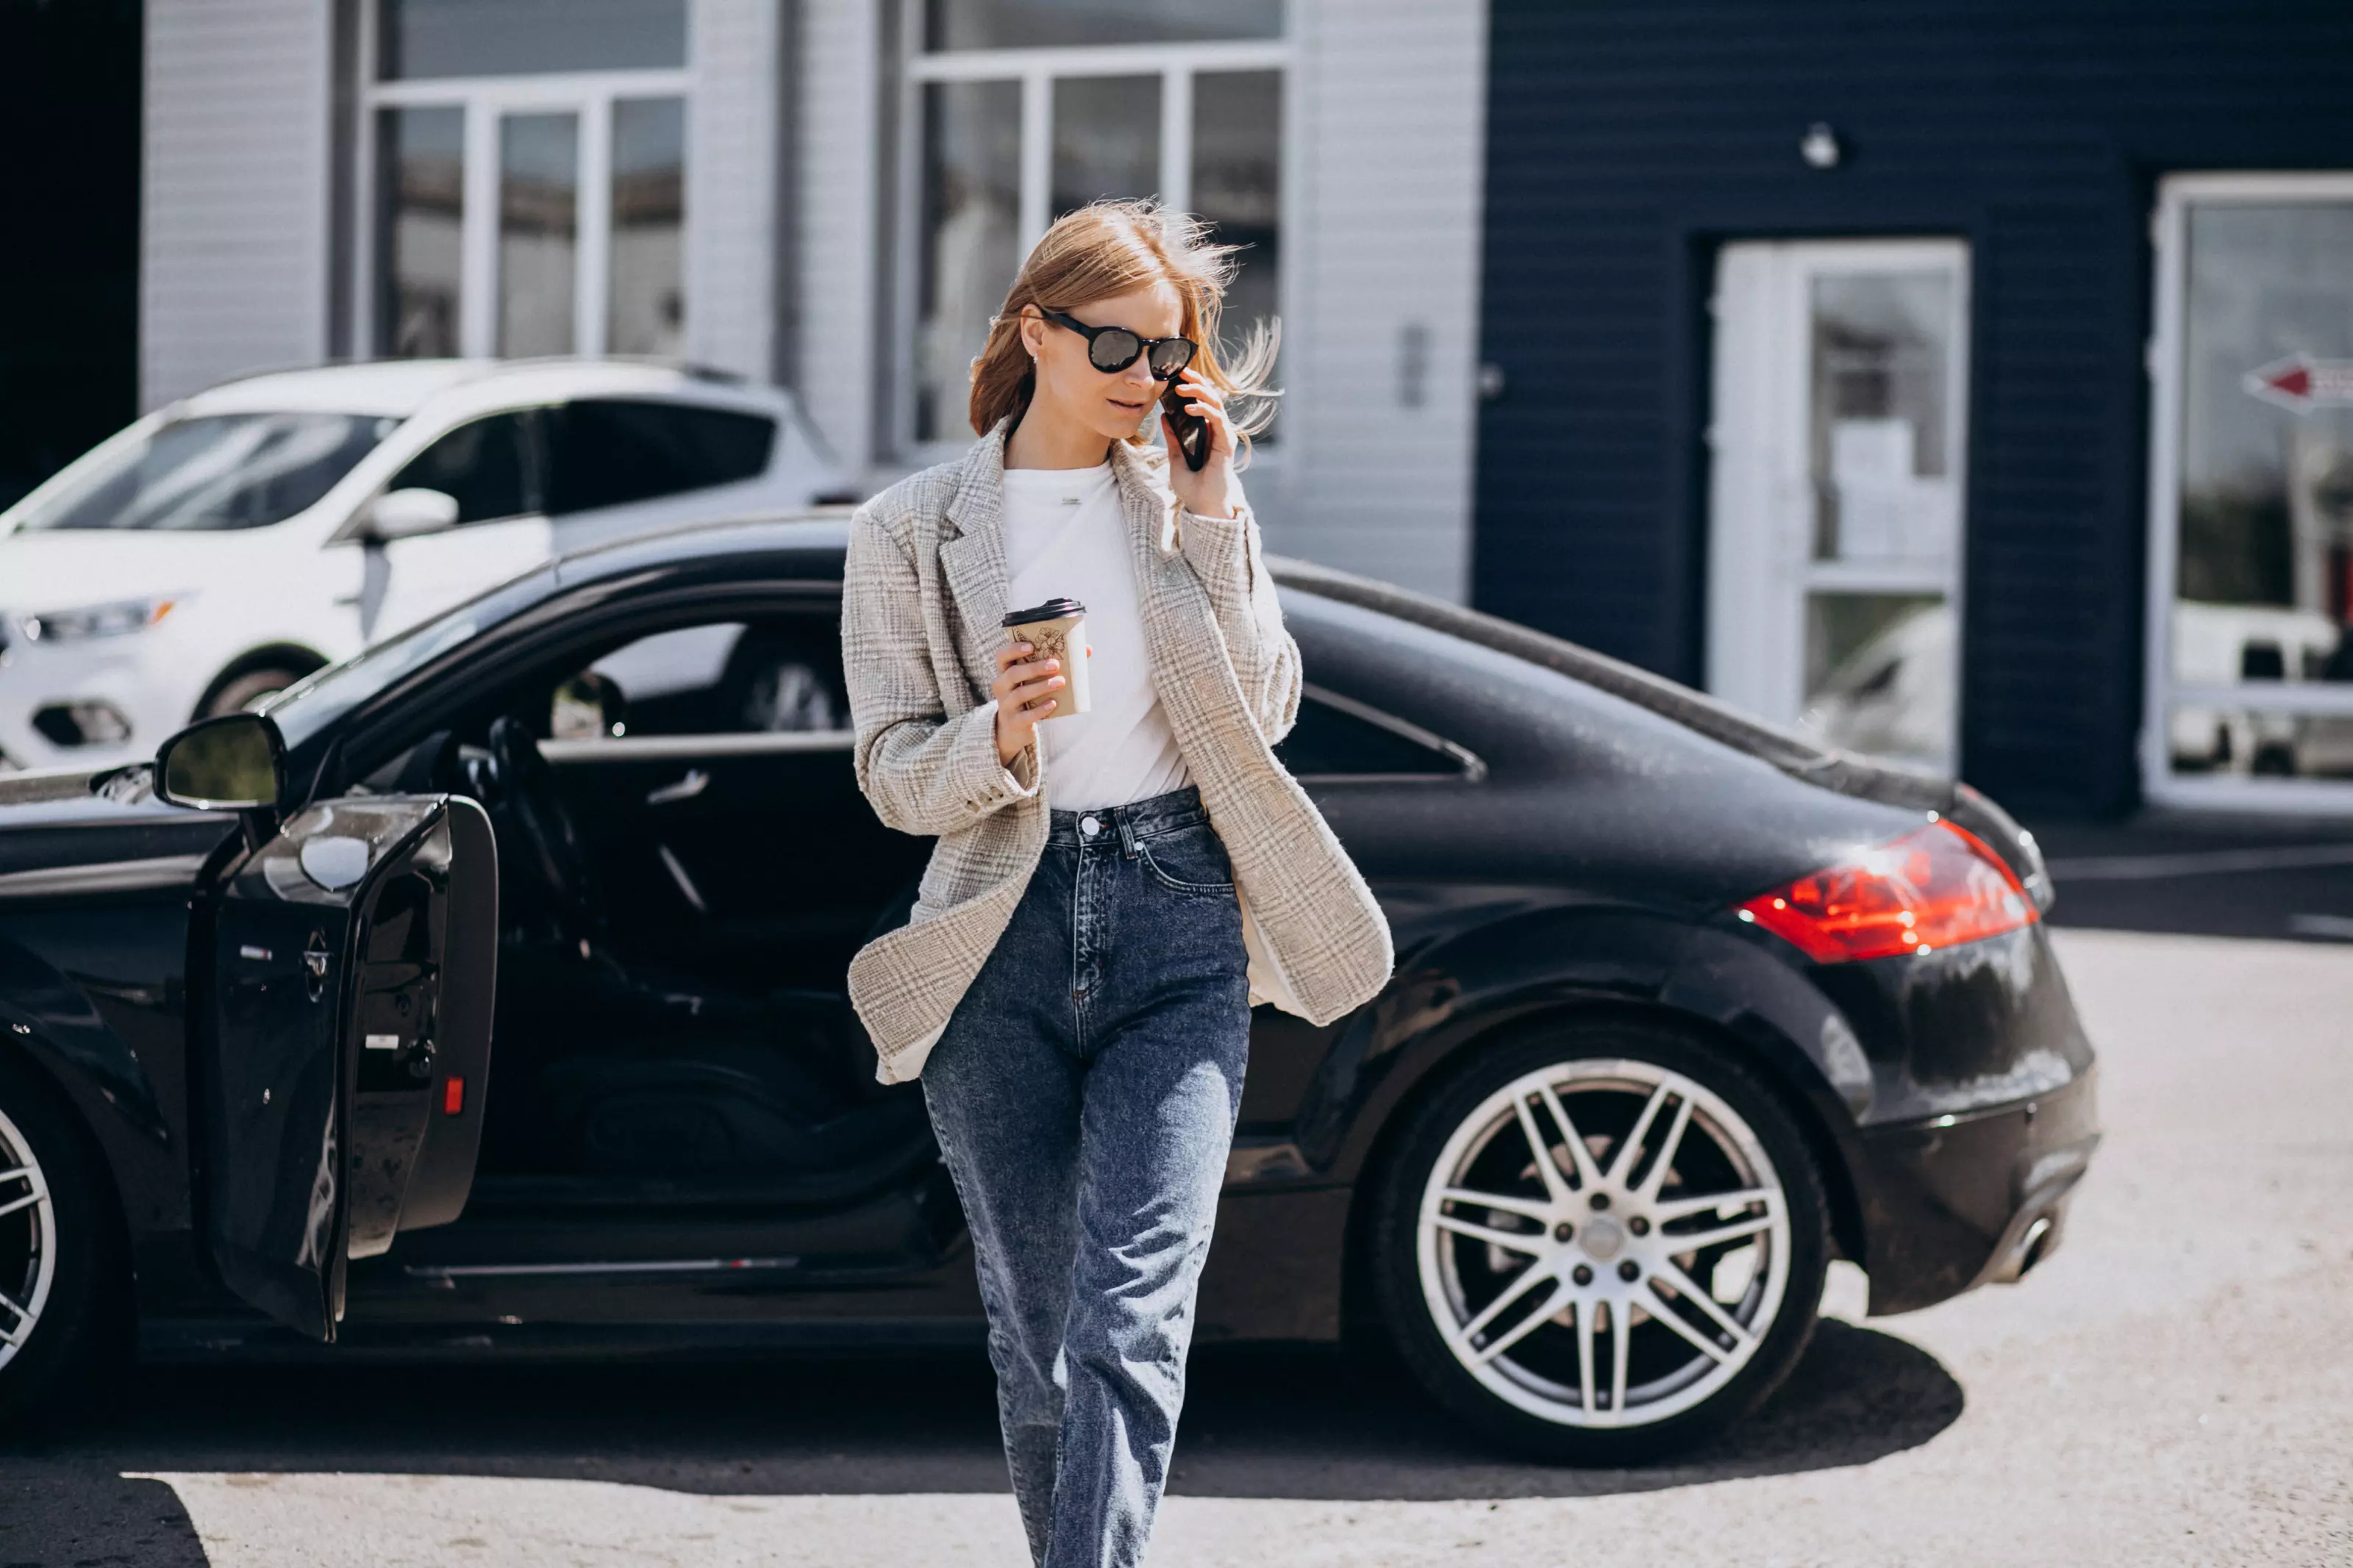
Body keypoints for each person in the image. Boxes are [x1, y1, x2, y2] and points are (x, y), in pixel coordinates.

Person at [838, 198, 1393, 1567]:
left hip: (1179, 922)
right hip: (996, 939)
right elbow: (894, 778)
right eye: (1121, 348)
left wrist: (1215, 520)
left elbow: (1262, 710)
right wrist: (1004, 732)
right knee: (1042, 1343)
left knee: (1133, 1319)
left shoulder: (1187, 503)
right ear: (1036, 328)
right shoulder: (910, 530)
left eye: (1172, 354)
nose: (1152, 381)